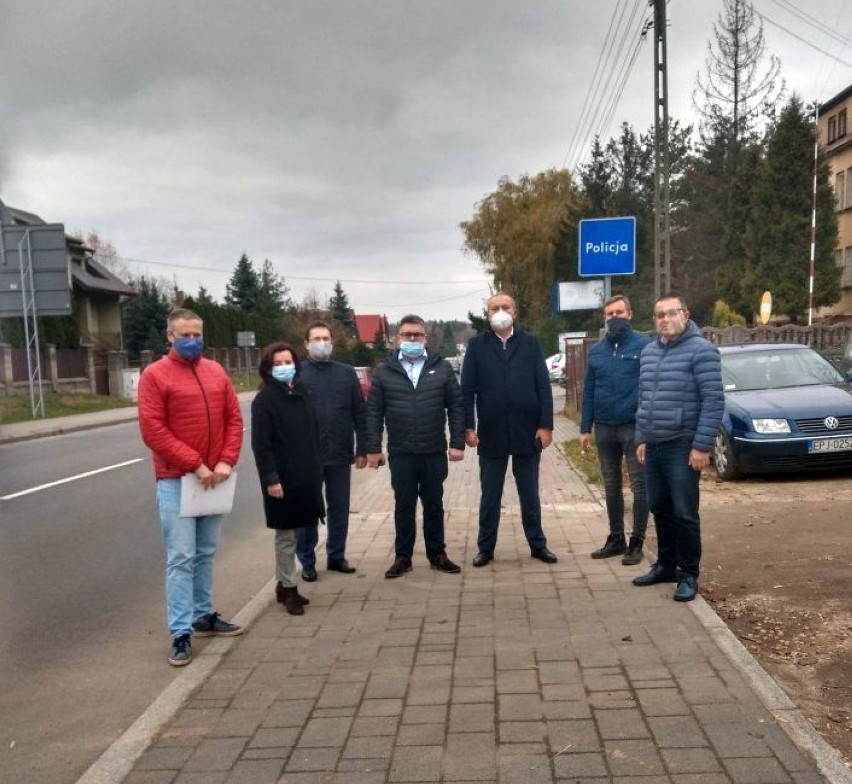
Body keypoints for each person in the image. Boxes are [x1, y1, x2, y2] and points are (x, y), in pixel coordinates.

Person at [138, 308, 244, 667]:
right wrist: (195, 464)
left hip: (215, 478)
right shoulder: (155, 375)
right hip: (177, 480)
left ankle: (203, 615)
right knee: (181, 557)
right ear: (170, 337)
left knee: (205, 552)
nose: (192, 340)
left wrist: (226, 461)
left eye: (197, 334)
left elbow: (234, 418)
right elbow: (153, 430)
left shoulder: (215, 371)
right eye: (184, 334)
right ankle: (180, 632)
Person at [633, 293, 724, 602]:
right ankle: (666, 565)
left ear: (686, 314)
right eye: (659, 314)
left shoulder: (702, 351)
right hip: (655, 444)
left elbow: (713, 401)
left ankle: (688, 574)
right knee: (659, 506)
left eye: (672, 313)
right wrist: (642, 437)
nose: (665, 319)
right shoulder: (648, 353)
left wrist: (701, 446)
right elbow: (644, 400)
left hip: (683, 444)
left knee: (684, 512)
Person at [461, 292, 558, 567]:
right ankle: (486, 548)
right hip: (490, 433)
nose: (500, 312)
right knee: (490, 494)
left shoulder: (530, 343)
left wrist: (546, 425)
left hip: (528, 431)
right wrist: (467, 427)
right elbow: (466, 391)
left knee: (530, 493)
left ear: (514, 312)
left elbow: (543, 386)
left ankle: (538, 545)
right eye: (494, 308)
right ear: (488, 314)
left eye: (505, 307)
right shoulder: (477, 346)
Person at [365, 314, 465, 578]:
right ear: (398, 339)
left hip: (433, 450)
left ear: (425, 338)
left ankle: (437, 554)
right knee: (404, 506)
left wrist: (457, 444)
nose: (412, 339)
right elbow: (373, 412)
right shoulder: (385, 371)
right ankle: (403, 557)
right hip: (401, 452)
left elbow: (456, 406)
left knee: (434, 504)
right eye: (407, 335)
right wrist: (374, 448)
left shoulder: (441, 367)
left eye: (417, 335)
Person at [250, 342, 324, 616]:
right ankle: (289, 589)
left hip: (305, 474)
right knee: (286, 535)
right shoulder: (265, 400)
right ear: (268, 369)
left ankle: (283, 585)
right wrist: (271, 478)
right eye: (278, 364)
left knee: (301, 530)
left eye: (288, 362)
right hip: (281, 478)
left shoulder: (302, 392)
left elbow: (311, 433)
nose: (284, 367)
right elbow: (262, 445)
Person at [580, 295, 651, 565]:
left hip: (633, 427)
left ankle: (637, 541)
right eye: (610, 314)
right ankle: (616, 537)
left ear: (630, 314)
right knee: (611, 485)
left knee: (639, 486)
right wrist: (585, 427)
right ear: (604, 318)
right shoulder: (597, 351)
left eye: (619, 312)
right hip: (604, 428)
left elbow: (649, 388)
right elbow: (589, 390)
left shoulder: (645, 346)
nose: (615, 318)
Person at [295, 321, 368, 582]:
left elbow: (360, 412)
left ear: (333, 341)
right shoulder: (297, 374)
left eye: (326, 338)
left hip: (340, 451)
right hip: (307, 456)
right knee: (308, 510)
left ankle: (337, 555)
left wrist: (363, 449)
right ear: (306, 344)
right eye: (316, 338)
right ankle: (307, 560)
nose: (321, 343)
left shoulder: (347, 373)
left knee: (339, 507)